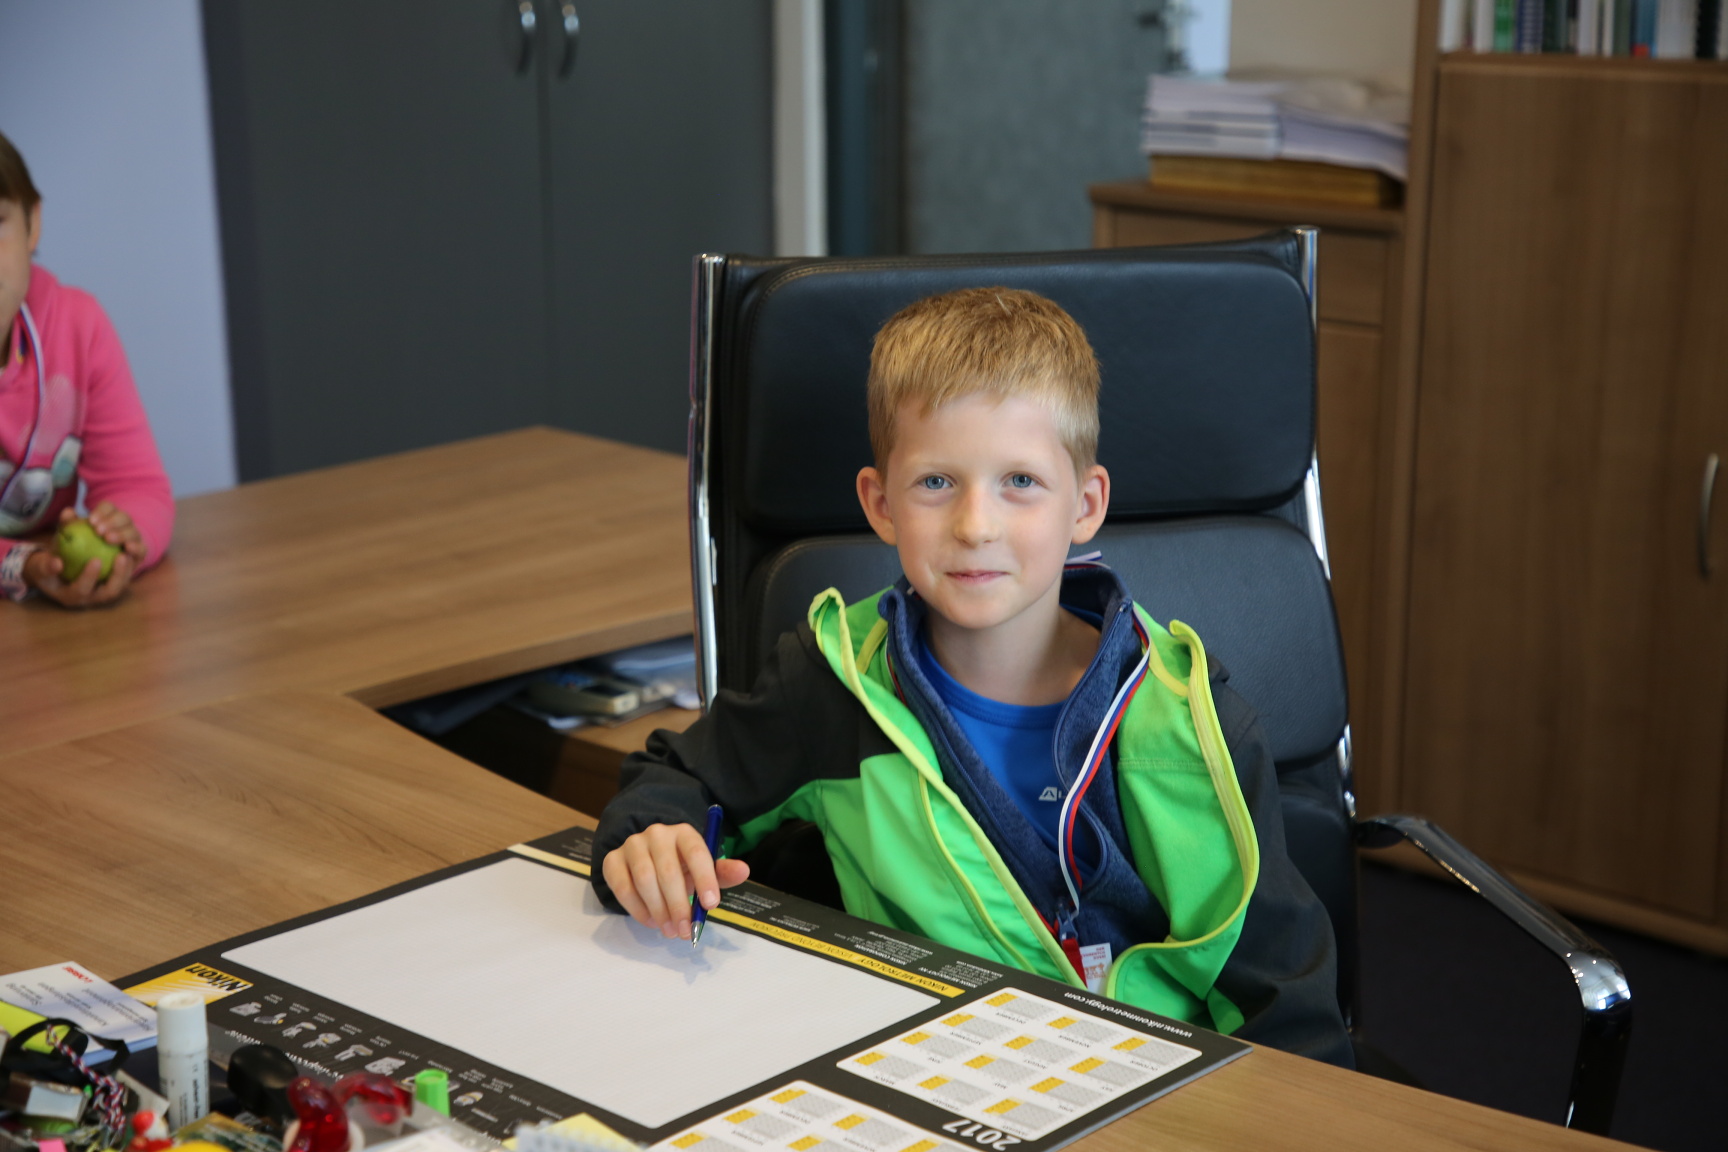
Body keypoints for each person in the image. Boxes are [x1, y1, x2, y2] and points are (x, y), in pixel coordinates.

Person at [593, 287, 1353, 1066]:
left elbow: (1286, 998)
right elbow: (679, 778)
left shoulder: (1189, 723)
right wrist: (653, 836)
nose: (975, 525)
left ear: (1085, 505)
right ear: (880, 504)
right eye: (935, 483)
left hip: (1157, 1082)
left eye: (1020, 481)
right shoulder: (833, 686)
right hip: (936, 1075)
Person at [0, 131, 173, 607]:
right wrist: (22, 564)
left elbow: (137, 486)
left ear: (33, 223)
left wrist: (124, 541)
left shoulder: (78, 328)